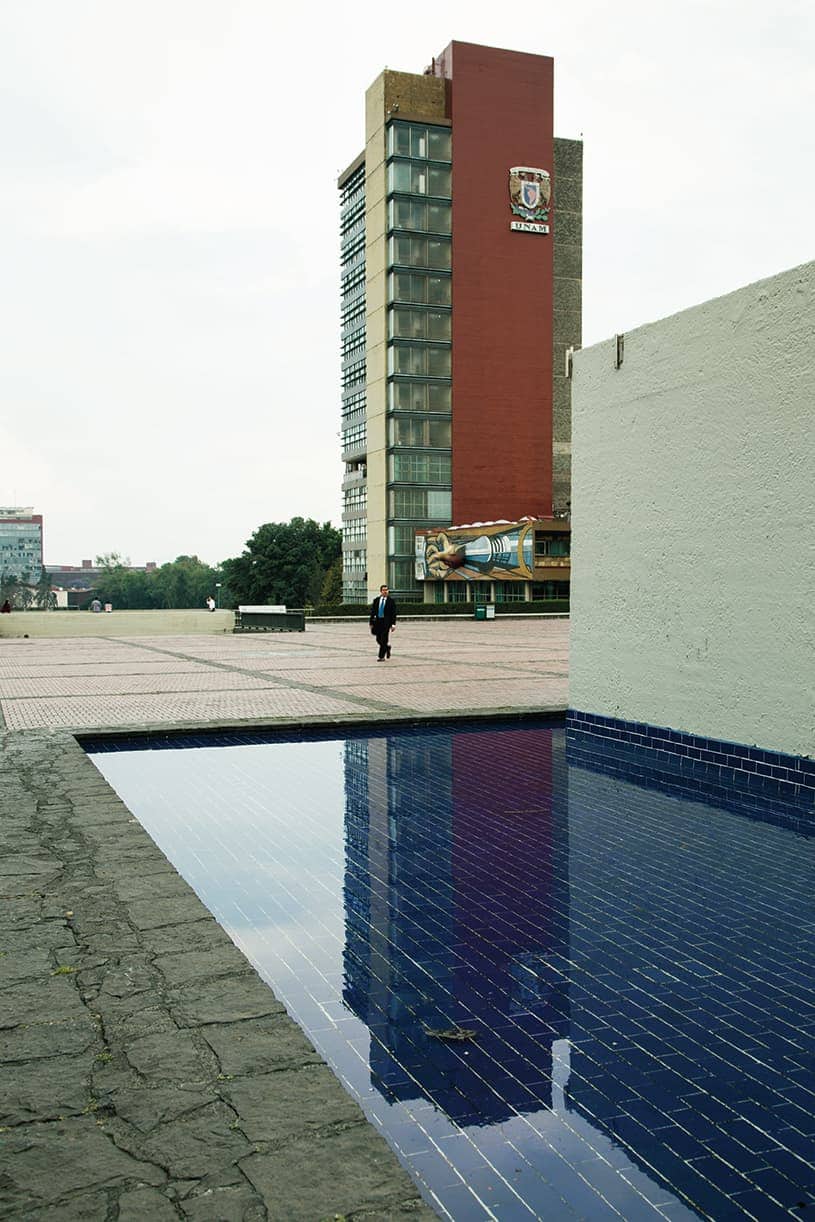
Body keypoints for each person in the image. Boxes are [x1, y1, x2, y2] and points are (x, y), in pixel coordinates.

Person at [369, 584, 397, 661]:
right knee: (378, 639)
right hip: (378, 622)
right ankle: (387, 648)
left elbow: (393, 613)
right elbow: (373, 612)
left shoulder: (391, 601)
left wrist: (393, 624)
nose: (385, 592)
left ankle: (381, 656)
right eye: (384, 590)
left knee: (384, 639)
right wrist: (371, 623)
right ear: (381, 591)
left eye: (386, 590)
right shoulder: (376, 600)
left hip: (386, 623)